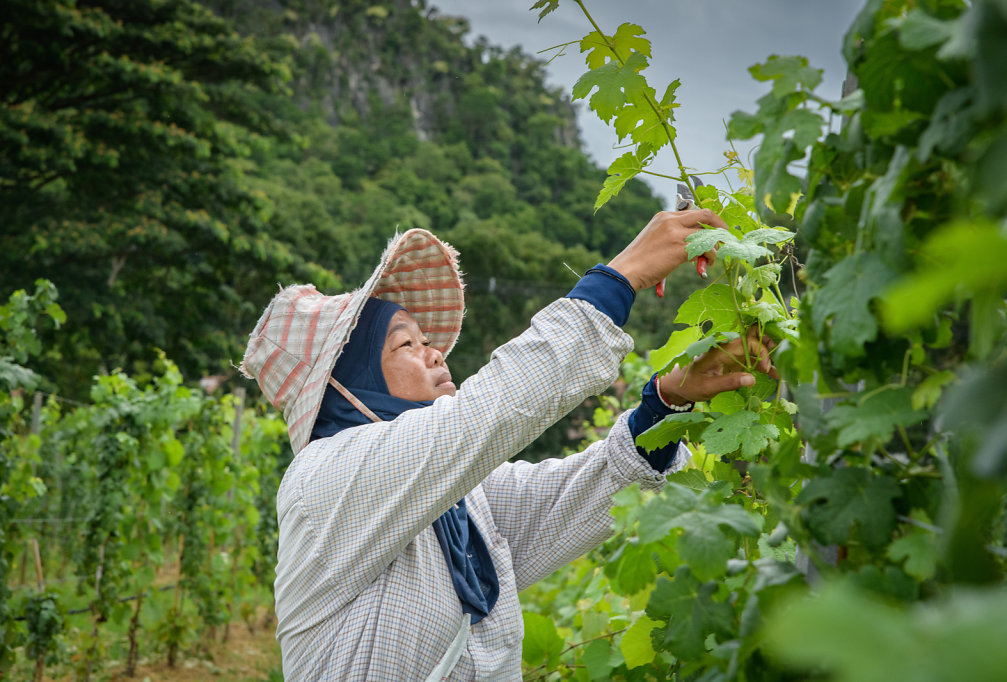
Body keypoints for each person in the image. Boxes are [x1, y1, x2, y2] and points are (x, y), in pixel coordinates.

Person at [240, 210, 776, 680]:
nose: (433, 355)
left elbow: (589, 490)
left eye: (428, 341)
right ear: (349, 387)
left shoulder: (461, 500)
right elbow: (491, 412)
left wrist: (667, 400)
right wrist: (620, 278)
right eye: (406, 342)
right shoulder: (327, 478)